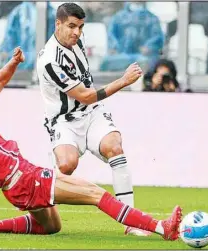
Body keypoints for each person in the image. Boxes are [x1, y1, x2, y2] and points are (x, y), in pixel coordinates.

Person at [0, 47, 182, 240]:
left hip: (15, 187)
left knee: (52, 227)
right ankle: (160, 227)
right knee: (93, 192)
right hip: (25, 178)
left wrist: (12, 63)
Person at [36, 3, 152, 237]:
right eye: (71, 26)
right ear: (57, 24)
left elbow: (89, 101)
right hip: (63, 120)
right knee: (67, 165)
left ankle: (132, 222)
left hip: (91, 114)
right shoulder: (49, 60)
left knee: (115, 147)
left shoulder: (77, 40)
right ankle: (45, 190)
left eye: (80, 26)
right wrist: (123, 81)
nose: (76, 32)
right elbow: (86, 95)